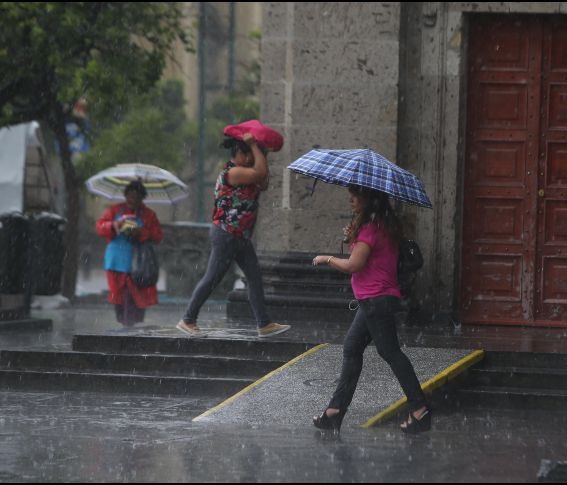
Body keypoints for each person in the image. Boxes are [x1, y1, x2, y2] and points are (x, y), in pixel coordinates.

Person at [311, 185, 430, 434]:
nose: (351, 200)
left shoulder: (370, 229)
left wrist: (327, 259)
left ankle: (420, 409)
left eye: (357, 196)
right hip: (375, 300)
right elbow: (372, 255)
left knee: (391, 353)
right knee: (353, 348)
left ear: (369, 200)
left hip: (376, 300)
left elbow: (355, 265)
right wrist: (353, 238)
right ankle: (335, 411)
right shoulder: (381, 226)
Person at [176, 131, 290, 338]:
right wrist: (255, 147)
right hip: (226, 233)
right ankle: (188, 319)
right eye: (247, 155)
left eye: (251, 156)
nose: (250, 159)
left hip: (241, 237)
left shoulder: (248, 173)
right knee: (212, 278)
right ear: (238, 153)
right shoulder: (233, 172)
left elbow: (263, 181)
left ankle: (264, 324)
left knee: (254, 278)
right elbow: (260, 174)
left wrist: (261, 151)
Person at [95, 180, 163, 326]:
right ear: (126, 196)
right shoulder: (115, 210)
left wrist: (141, 232)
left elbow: (157, 236)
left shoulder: (149, 215)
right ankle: (125, 324)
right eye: (130, 196)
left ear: (142, 198)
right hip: (116, 261)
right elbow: (100, 226)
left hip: (138, 263)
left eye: (137, 197)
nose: (133, 200)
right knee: (119, 297)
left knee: (135, 296)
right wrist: (114, 225)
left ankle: (131, 324)